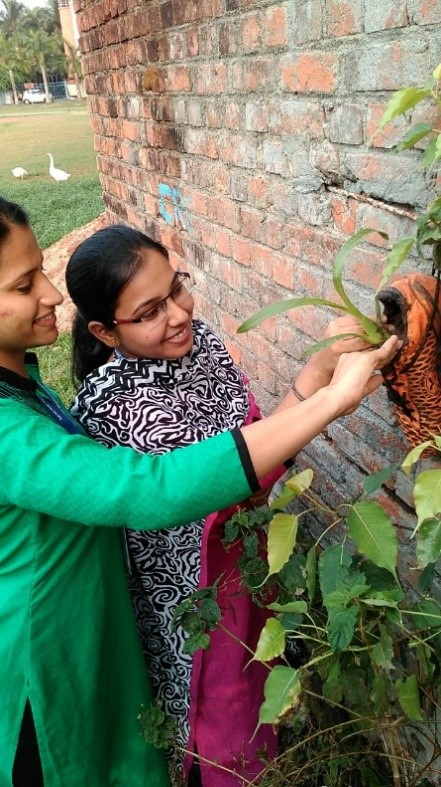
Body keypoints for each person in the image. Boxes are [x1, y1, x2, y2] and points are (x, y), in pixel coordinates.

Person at [65, 225, 399, 787]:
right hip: (197, 600)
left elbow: (259, 437)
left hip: (245, 569)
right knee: (224, 730)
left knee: (259, 689)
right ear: (105, 331)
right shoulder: (114, 404)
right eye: (148, 312)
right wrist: (331, 393)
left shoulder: (205, 344)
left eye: (177, 289)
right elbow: (230, 482)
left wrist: (322, 367)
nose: (177, 314)